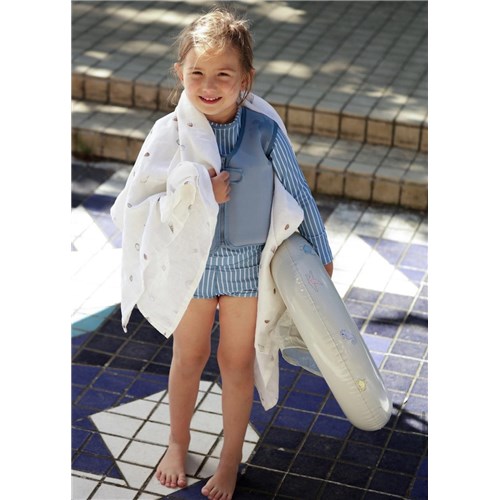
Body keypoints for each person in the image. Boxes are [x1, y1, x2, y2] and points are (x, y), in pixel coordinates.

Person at [113, 7, 333, 500]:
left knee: (236, 363)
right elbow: (138, 202)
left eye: (223, 75)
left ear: (245, 79)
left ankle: (230, 460)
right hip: (191, 266)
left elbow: (297, 190)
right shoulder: (169, 134)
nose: (208, 86)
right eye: (197, 74)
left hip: (246, 269)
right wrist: (197, 191)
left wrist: (320, 250)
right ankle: (177, 443)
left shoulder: (263, 131)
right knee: (187, 357)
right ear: (180, 74)